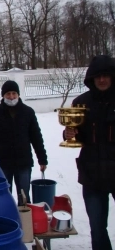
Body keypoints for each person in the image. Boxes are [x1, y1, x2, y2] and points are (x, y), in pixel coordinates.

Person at [64, 55, 115, 250]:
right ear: (91, 79)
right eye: (97, 76)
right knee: (97, 227)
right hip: (92, 175)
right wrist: (69, 133)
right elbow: (75, 135)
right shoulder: (81, 103)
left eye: (106, 75)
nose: (101, 80)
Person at [0, 80, 48, 205]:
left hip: (23, 162)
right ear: (3, 95)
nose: (11, 97)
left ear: (18, 95)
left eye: (14, 93)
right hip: (3, 163)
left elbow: (36, 137)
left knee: (24, 196)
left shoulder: (28, 112)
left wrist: (42, 159)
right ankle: (6, 221)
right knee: (3, 196)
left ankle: (24, 221)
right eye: (8, 94)